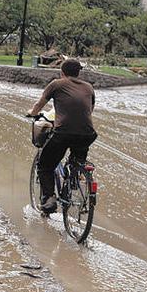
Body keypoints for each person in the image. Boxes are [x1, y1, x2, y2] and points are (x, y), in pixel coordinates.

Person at [28, 59, 97, 215]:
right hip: (87, 134)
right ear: (78, 73)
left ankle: (49, 199)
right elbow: (89, 110)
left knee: (45, 165)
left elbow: (39, 104)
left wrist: (32, 113)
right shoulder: (89, 87)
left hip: (63, 133)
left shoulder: (56, 84)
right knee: (77, 159)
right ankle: (75, 178)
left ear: (62, 72)